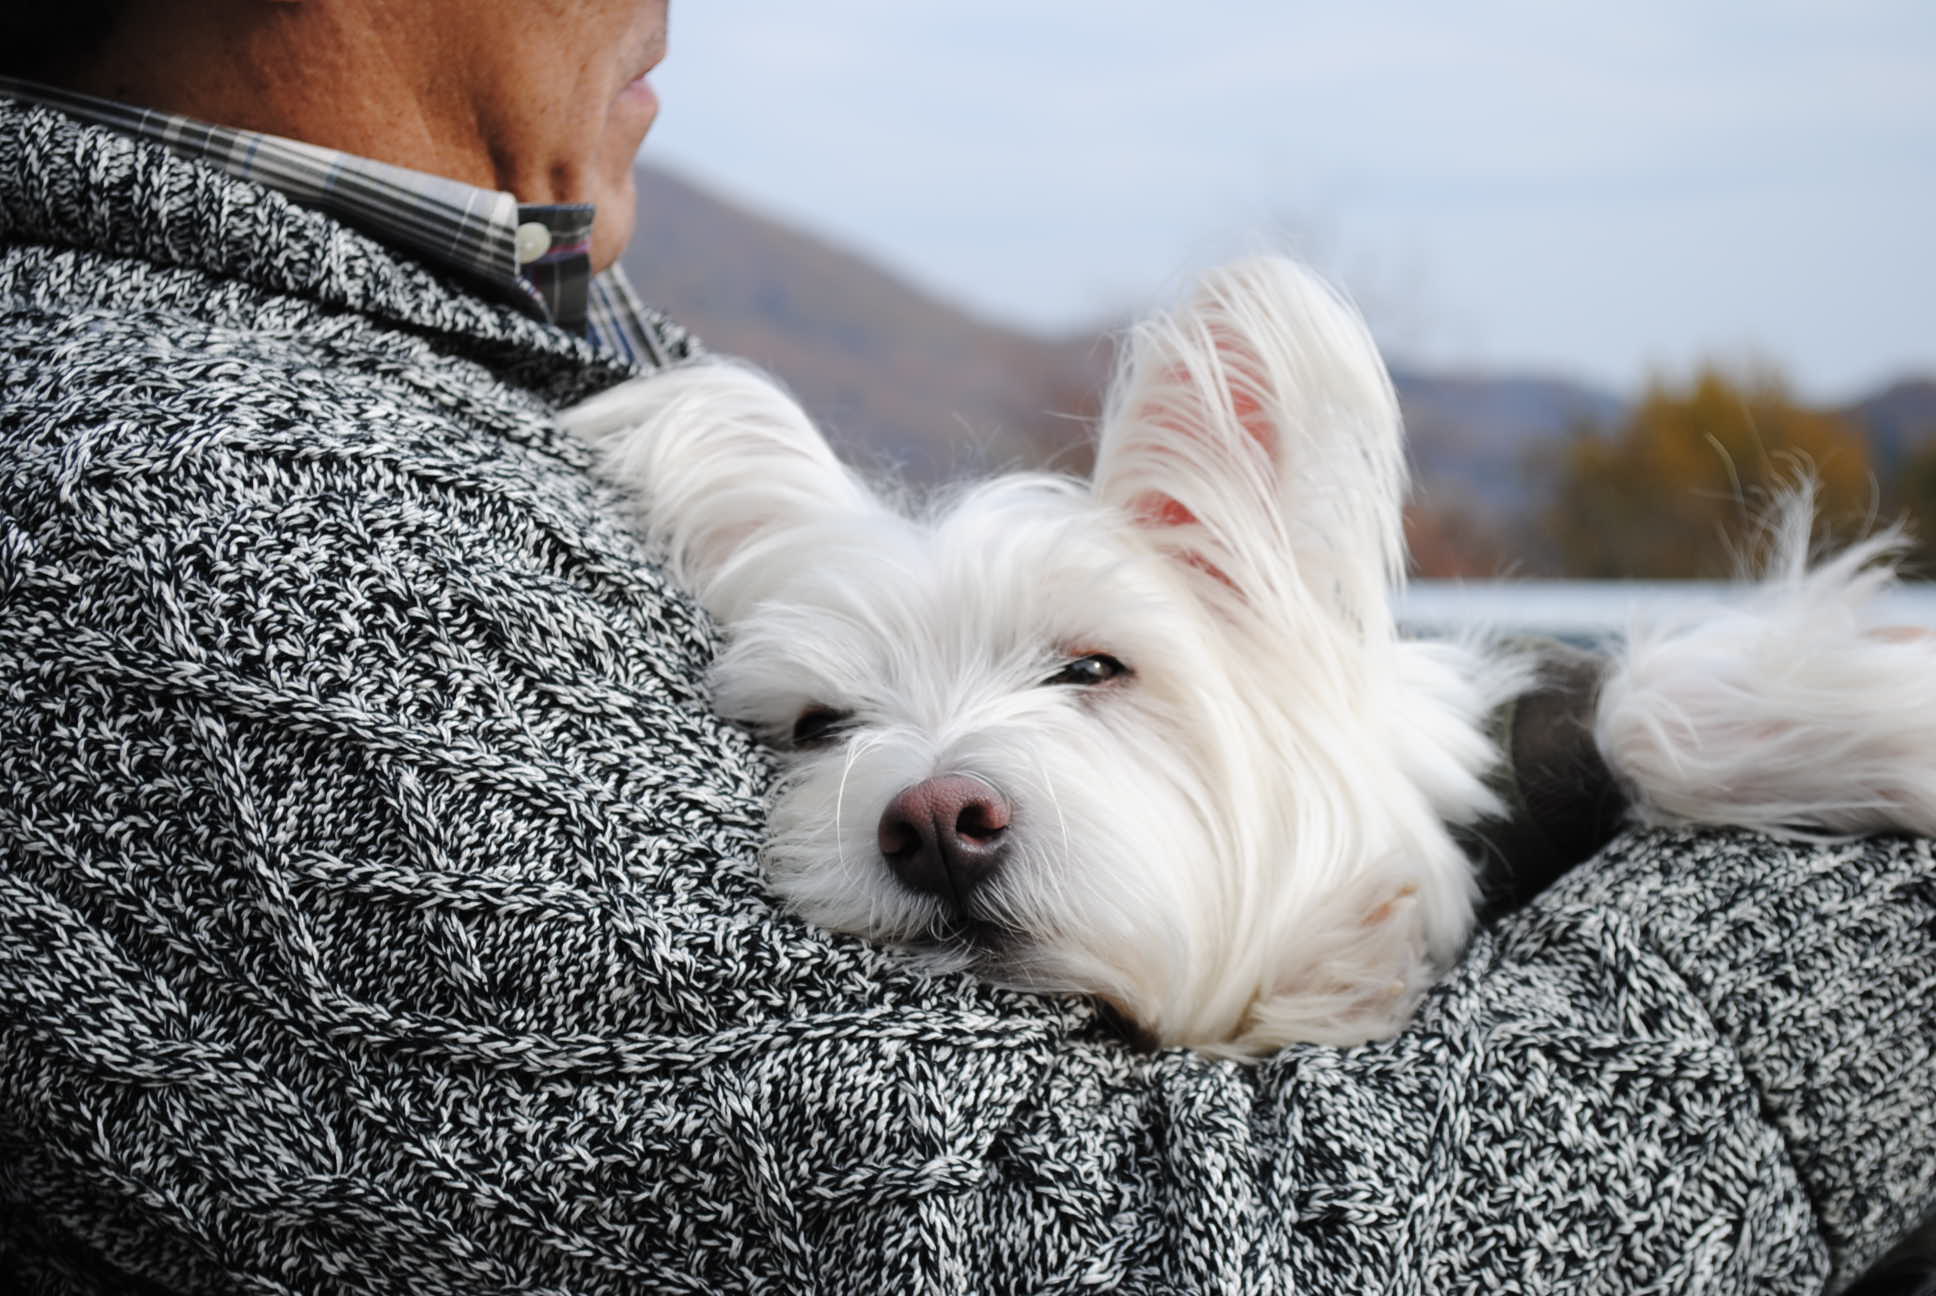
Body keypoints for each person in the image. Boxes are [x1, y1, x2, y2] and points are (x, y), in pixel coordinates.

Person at [1, 3, 1931, 1292]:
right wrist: (1875, 886)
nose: (928, 792)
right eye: (826, 723)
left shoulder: (473, 369)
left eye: (1084, 671)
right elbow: (1147, 1244)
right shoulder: (221, 509)